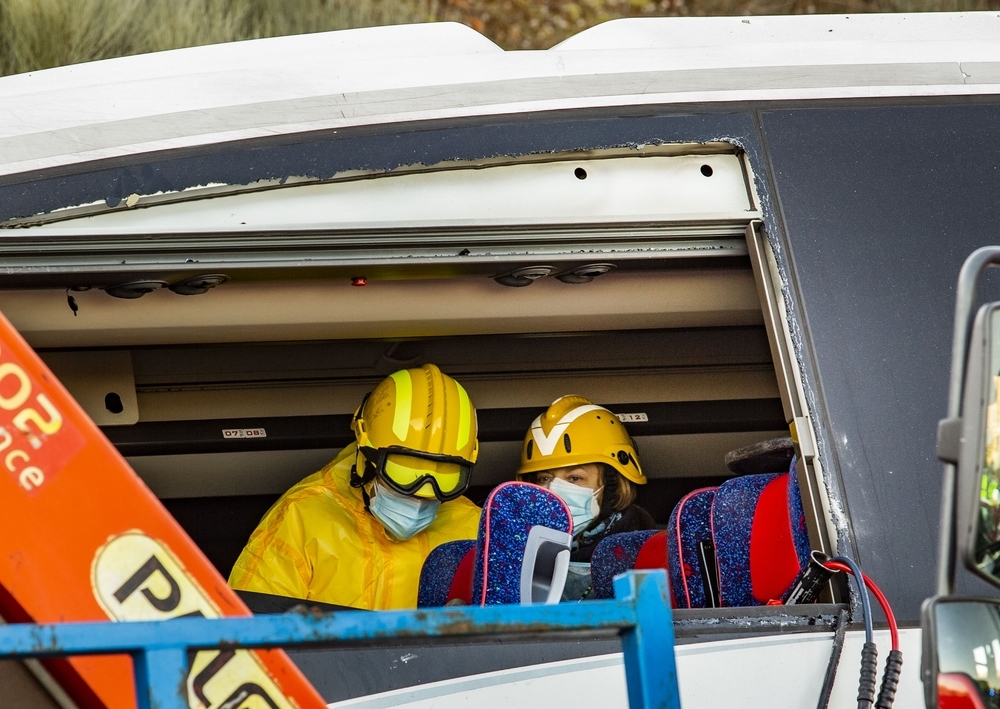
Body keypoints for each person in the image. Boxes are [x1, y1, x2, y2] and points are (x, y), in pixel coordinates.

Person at [229, 364, 481, 610]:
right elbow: (247, 634)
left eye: (446, 475)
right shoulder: (300, 520)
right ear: (366, 455)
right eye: (403, 470)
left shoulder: (478, 530)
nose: (422, 492)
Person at [516, 395, 656, 599]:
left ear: (612, 484)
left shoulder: (643, 548)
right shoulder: (515, 546)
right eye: (544, 477)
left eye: (574, 477)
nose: (554, 491)